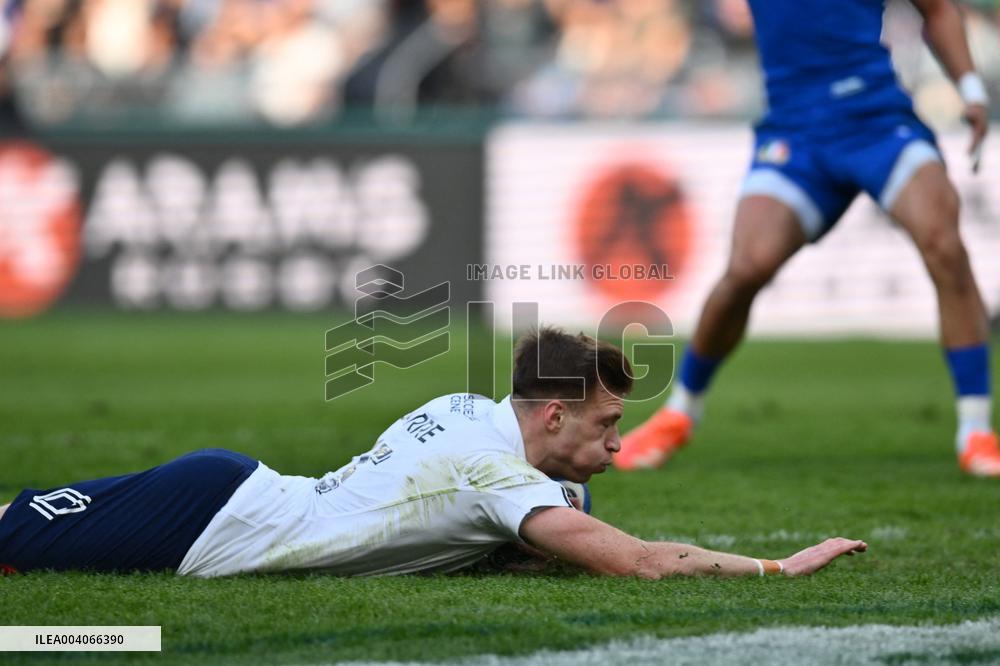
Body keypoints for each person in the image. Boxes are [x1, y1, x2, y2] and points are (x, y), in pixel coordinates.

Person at [0, 328, 866, 579]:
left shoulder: (466, 410)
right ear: (554, 415)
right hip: (214, 520)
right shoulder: (498, 477)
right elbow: (638, 562)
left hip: (234, 490)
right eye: (606, 425)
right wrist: (774, 568)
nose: (617, 442)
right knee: (11, 538)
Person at [614, 0, 999, 476]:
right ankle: (679, 414)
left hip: (877, 121)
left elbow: (938, 9)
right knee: (746, 268)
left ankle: (976, 430)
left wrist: (971, 90)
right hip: (796, 134)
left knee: (943, 243)